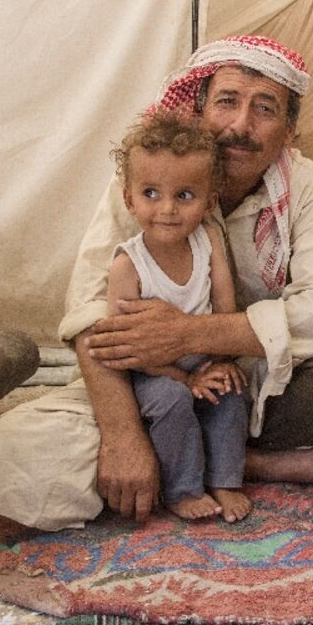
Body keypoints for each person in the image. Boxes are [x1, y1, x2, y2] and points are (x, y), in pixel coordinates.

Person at [0, 35, 313, 531]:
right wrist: (122, 435)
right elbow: (90, 312)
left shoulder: (307, 187)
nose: (241, 126)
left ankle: (199, 460)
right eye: (227, 102)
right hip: (149, 381)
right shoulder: (147, 178)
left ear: (288, 130)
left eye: (265, 109)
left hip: (249, 383)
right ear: (197, 109)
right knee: (18, 447)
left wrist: (191, 334)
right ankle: (243, 465)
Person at [106, 110, 251, 522]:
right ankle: (183, 488)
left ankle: (225, 479)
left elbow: (225, 309)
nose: (167, 209)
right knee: (171, 403)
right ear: (129, 198)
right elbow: (126, 347)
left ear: (209, 202)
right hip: (152, 369)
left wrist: (220, 363)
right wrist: (185, 379)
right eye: (151, 193)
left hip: (202, 352)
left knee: (232, 391)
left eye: (184, 196)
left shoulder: (208, 240)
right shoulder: (128, 265)